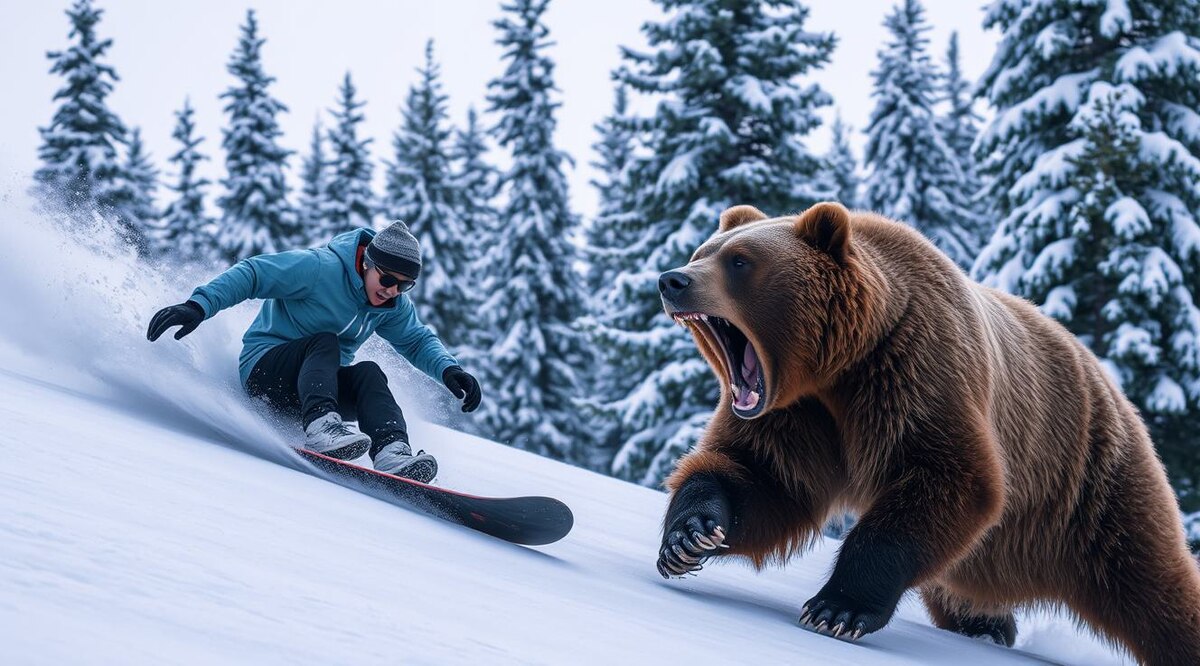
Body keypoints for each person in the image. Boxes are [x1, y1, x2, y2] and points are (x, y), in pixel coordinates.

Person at [146, 221, 481, 483]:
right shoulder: (320, 269)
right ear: (367, 262)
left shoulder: (391, 305)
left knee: (369, 373)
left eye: (404, 285)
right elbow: (253, 274)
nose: (392, 290)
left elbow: (416, 340)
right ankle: (323, 429)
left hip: (317, 391)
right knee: (326, 342)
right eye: (388, 278)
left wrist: (450, 370)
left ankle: (392, 452)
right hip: (266, 371)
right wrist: (198, 306)